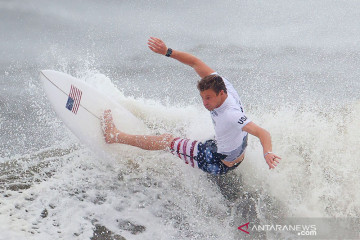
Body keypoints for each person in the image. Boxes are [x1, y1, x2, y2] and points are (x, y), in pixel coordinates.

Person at [101, 37, 281, 175]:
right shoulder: (222, 83)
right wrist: (167, 51)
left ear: (222, 93)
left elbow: (262, 132)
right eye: (202, 98)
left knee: (167, 140)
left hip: (217, 162)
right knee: (193, 138)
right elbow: (195, 62)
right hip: (229, 152)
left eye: (209, 98)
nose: (205, 103)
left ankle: (114, 136)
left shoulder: (231, 114)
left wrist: (267, 153)